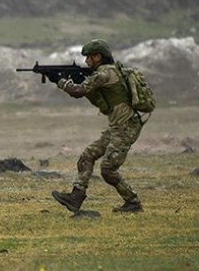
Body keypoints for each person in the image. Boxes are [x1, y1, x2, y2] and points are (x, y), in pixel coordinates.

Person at [51, 39, 144, 213]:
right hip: (118, 127)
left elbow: (78, 91)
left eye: (89, 58)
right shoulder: (109, 71)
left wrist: (60, 81)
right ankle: (76, 198)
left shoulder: (104, 74)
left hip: (126, 127)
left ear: (98, 56)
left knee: (108, 169)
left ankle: (133, 202)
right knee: (87, 156)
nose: (86, 62)